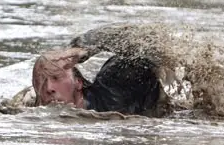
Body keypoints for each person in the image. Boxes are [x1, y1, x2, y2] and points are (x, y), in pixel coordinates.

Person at [31, 25, 169, 116]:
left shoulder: (115, 83)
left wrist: (85, 45)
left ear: (78, 82)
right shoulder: (31, 106)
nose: (49, 88)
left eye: (56, 78)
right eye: (41, 82)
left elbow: (150, 43)